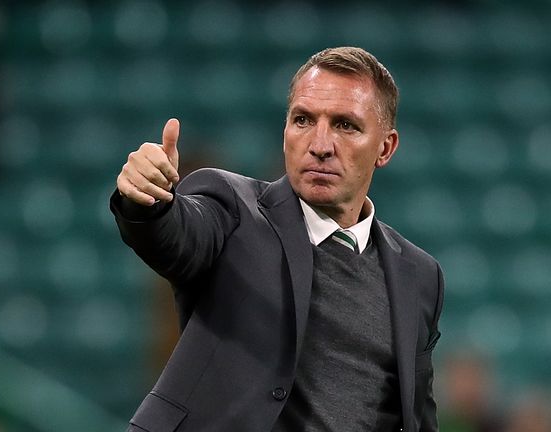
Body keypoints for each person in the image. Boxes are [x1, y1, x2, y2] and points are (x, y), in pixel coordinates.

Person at [111, 47, 444, 432]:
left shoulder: (420, 276)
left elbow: (417, 417)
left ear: (385, 147)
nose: (320, 145)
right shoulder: (232, 208)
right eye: (303, 120)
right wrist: (147, 203)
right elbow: (174, 236)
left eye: (345, 125)